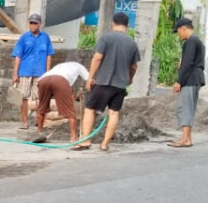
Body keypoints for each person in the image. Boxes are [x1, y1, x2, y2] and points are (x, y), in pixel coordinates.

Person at [74, 12, 141, 152]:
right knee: (114, 113)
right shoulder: (132, 43)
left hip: (104, 82)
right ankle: (105, 143)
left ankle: (86, 140)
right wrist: (130, 79)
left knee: (90, 109)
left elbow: (97, 57)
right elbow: (134, 66)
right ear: (127, 25)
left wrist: (90, 77)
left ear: (113, 23)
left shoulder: (106, 38)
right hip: (120, 85)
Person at [11, 13, 55, 130]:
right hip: (25, 71)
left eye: (35, 23)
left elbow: (49, 55)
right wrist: (15, 74)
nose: (33, 25)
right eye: (31, 23)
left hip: (40, 73)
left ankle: (39, 122)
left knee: (40, 98)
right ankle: (25, 123)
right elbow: (18, 56)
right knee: (23, 98)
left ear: (40, 24)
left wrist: (48, 72)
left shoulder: (45, 38)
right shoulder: (24, 38)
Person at [170, 17, 206, 148]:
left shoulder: (190, 42)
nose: (179, 34)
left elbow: (187, 63)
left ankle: (185, 139)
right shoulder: (198, 41)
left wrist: (179, 81)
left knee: (185, 108)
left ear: (183, 29)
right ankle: (187, 138)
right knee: (189, 108)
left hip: (190, 79)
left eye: (178, 31)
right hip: (196, 78)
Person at [37, 61, 90, 141]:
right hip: (60, 80)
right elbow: (89, 80)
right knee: (70, 111)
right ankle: (73, 137)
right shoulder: (79, 66)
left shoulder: (60, 66)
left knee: (41, 107)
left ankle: (39, 133)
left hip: (43, 80)